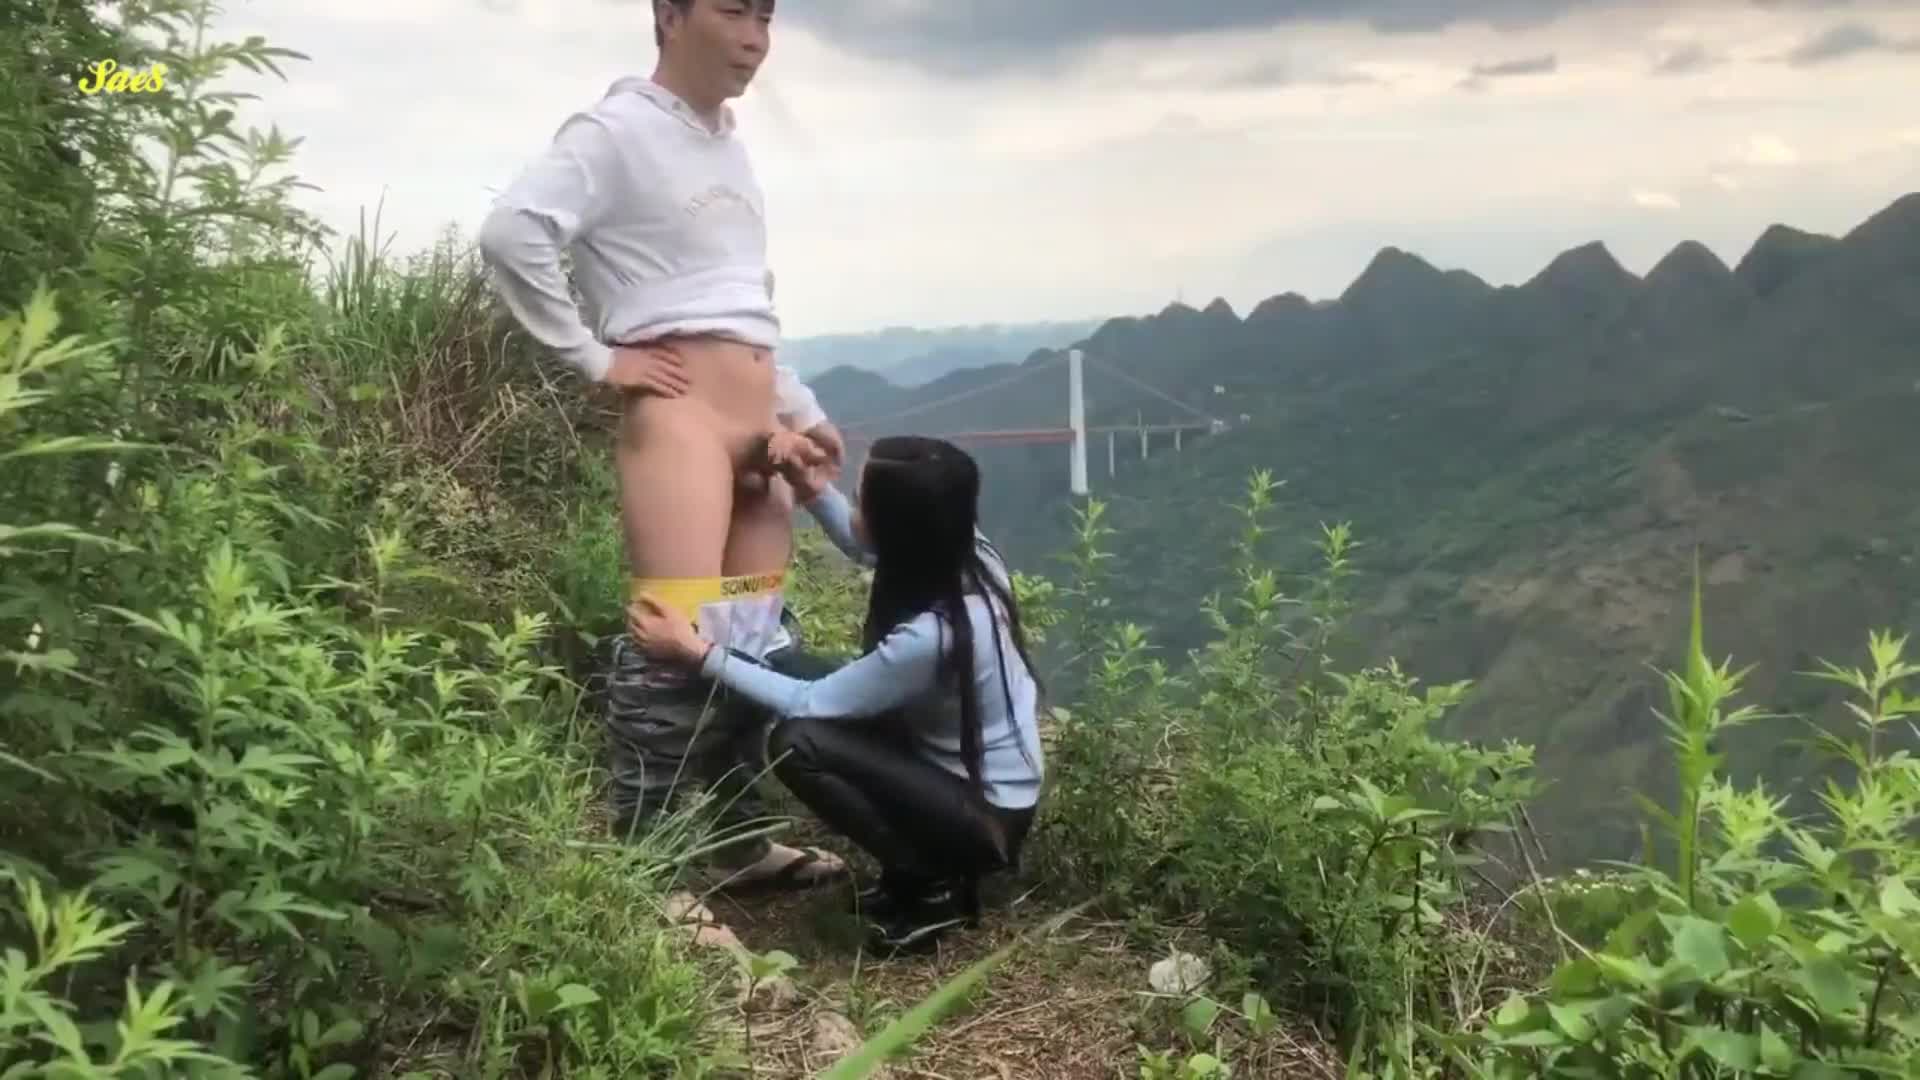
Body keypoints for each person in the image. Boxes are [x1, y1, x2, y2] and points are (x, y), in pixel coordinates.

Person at [477, 0, 848, 889]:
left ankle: (734, 845)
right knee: (670, 638)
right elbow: (512, 232)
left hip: (760, 432)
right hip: (680, 423)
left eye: (766, 16)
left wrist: (800, 409)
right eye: (733, 11)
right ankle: (643, 870)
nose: (755, 37)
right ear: (670, 14)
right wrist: (595, 358)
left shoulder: (729, 148)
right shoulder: (616, 130)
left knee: (745, 642)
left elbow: (741, 300)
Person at [627, 436, 1047, 953]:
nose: (851, 501)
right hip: (957, 774)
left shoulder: (934, 636)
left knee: (798, 741)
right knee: (783, 668)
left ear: (898, 525)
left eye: (860, 498)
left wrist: (695, 651)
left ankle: (930, 883)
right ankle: (917, 866)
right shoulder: (963, 548)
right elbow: (863, 543)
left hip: (984, 816)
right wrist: (809, 487)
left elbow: (808, 702)